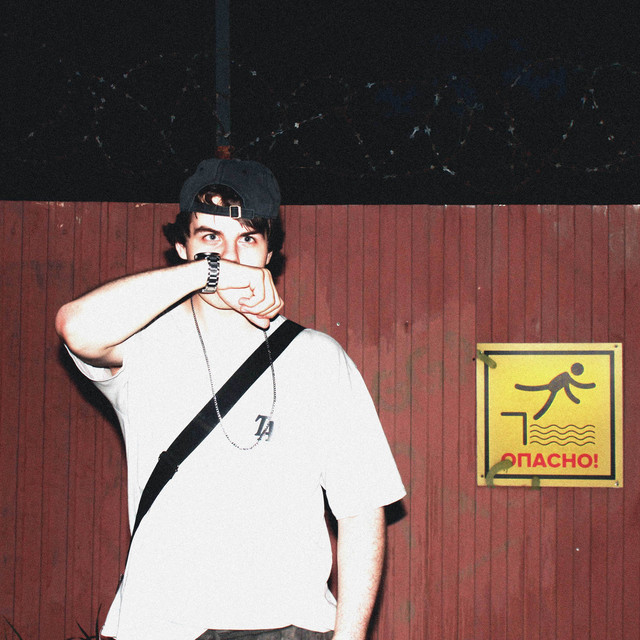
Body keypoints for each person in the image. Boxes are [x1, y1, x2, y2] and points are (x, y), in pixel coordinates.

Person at [56, 158, 406, 640]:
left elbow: (361, 508)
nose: (230, 256)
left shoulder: (318, 357)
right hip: (161, 626)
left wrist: (350, 637)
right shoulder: (143, 341)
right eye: (210, 238)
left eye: (247, 239)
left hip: (289, 625)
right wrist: (208, 274)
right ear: (183, 248)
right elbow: (75, 327)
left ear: (269, 253)